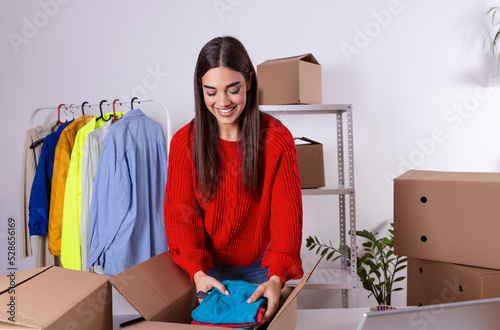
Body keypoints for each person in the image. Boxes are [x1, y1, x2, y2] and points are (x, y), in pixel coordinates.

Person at [164, 35, 303, 324]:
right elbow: (181, 216)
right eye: (211, 91)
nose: (222, 102)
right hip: (206, 270)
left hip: (261, 270)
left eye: (233, 89)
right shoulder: (184, 143)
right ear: (199, 88)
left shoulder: (277, 139)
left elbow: (286, 215)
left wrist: (277, 276)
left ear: (249, 82)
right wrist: (197, 270)